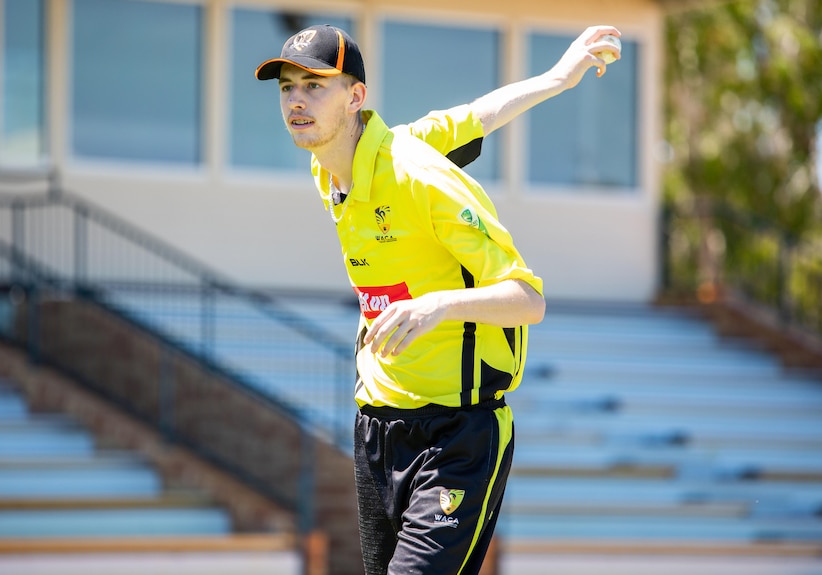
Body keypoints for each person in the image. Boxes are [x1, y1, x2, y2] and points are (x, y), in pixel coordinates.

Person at [255, 23, 620, 575]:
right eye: (287, 88)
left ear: (356, 98)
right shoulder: (330, 165)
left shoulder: (419, 175)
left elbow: (528, 298)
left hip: (458, 437)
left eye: (314, 86)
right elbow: (479, 115)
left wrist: (437, 306)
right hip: (376, 430)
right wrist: (555, 78)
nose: (297, 101)